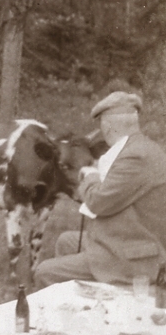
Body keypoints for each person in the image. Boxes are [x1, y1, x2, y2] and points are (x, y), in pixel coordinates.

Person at [35, 91, 166, 288]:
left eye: (102, 125)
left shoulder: (136, 157)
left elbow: (97, 202)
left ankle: (71, 301)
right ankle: (77, 300)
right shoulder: (140, 148)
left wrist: (90, 176)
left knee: (45, 272)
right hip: (127, 241)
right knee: (65, 241)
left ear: (108, 126)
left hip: (131, 258)